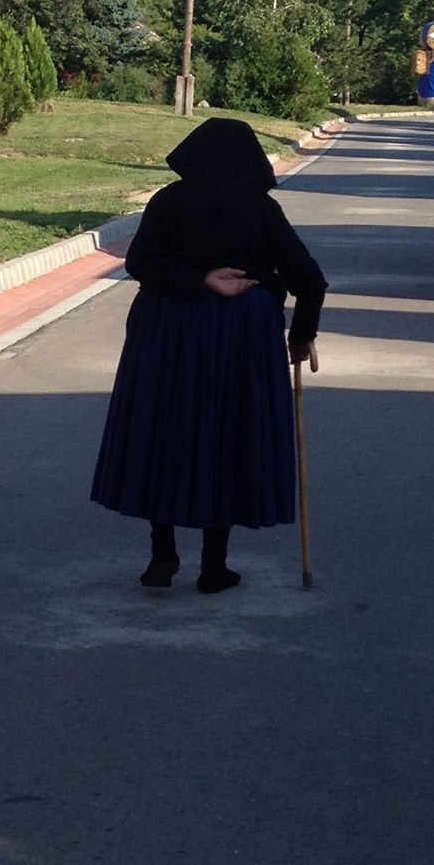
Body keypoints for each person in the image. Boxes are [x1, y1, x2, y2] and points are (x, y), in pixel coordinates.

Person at [91, 118, 328, 593]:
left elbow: (140, 263)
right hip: (240, 335)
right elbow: (310, 280)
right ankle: (213, 567)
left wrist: (198, 279)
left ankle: (162, 556)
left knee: (164, 433)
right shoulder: (261, 211)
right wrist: (300, 337)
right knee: (226, 437)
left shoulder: (169, 202)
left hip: (167, 331)